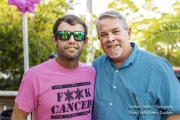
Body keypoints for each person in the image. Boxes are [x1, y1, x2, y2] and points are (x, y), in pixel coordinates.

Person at [92, 10, 180, 120]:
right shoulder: (96, 66)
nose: (110, 39)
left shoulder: (158, 67)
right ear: (99, 39)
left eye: (116, 31)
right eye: (104, 34)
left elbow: (177, 113)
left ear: (128, 33)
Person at [11, 14, 96, 120]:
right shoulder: (34, 76)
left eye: (78, 35)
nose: (72, 40)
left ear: (85, 41)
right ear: (55, 40)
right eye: (64, 35)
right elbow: (18, 117)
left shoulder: (92, 73)